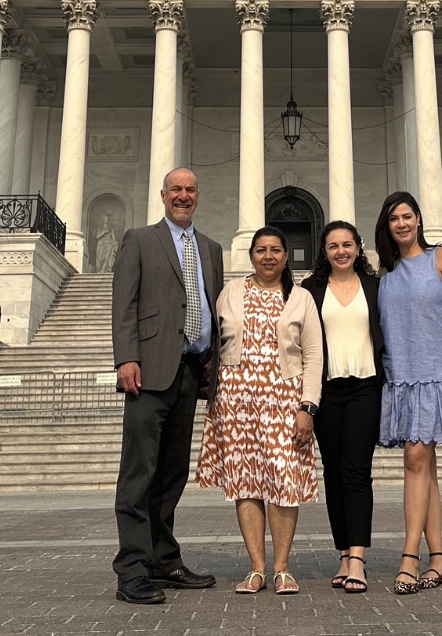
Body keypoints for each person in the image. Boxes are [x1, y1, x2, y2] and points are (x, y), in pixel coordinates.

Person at [111, 167, 224, 605]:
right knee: (139, 472)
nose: (183, 196)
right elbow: (125, 302)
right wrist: (127, 357)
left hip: (191, 371)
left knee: (173, 471)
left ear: (198, 196)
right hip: (149, 370)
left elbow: (214, 312)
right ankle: (132, 569)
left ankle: (164, 558)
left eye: (190, 189)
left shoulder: (211, 249)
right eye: (176, 189)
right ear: (163, 195)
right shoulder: (140, 239)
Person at [196, 226, 322, 596]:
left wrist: (308, 407)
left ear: (286, 256)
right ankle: (257, 568)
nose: (269, 256)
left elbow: (314, 356)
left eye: (276, 250)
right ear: (251, 255)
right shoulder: (230, 292)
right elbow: (213, 341)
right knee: (246, 483)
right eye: (261, 250)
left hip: (286, 399)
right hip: (236, 401)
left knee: (285, 483)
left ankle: (282, 568)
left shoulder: (300, 298)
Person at [375, 190, 442, 595]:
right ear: (387, 226)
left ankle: (408, 557)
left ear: (419, 219)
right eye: (394, 219)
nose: (401, 224)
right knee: (425, 467)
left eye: (407, 216)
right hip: (402, 375)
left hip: (437, 373)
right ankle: (437, 558)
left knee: (416, 458)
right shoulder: (387, 272)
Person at [301, 221, 384, 594]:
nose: (341, 251)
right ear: (324, 250)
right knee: (332, 473)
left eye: (347, 244)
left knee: (356, 470)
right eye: (333, 245)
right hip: (327, 389)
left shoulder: (375, 286)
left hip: (366, 386)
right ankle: (342, 554)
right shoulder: (311, 289)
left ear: (358, 247)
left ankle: (358, 557)